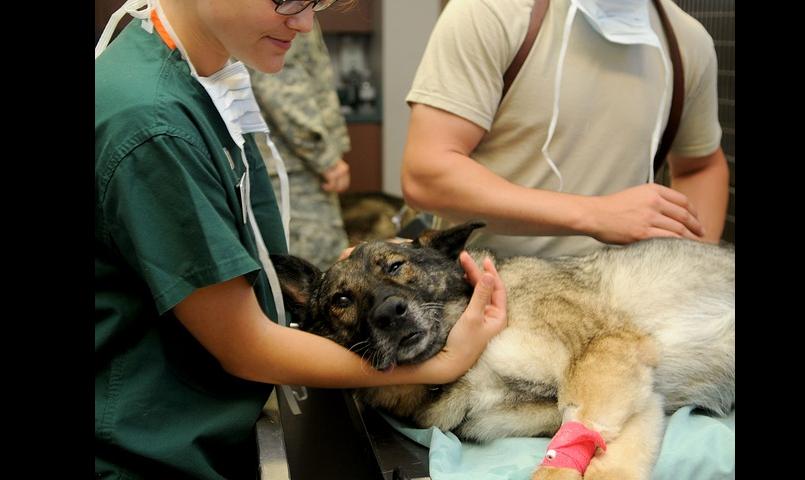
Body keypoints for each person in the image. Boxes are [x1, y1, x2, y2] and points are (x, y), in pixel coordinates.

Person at [94, 1, 507, 478]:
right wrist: (441, 363)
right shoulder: (154, 125)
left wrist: (366, 273)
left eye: (318, 4)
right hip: (146, 456)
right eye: (286, 0)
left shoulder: (205, 78)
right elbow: (245, 345)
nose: (306, 23)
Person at [401, 0, 730, 259]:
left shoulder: (687, 41)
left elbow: (701, 165)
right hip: (488, 293)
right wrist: (594, 214)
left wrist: (690, 264)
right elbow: (427, 174)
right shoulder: (492, 11)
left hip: (624, 297)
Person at [249, 18, 352, 270]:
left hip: (289, 163)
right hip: (292, 169)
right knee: (316, 274)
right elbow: (282, 90)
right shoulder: (287, 9)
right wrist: (326, 159)